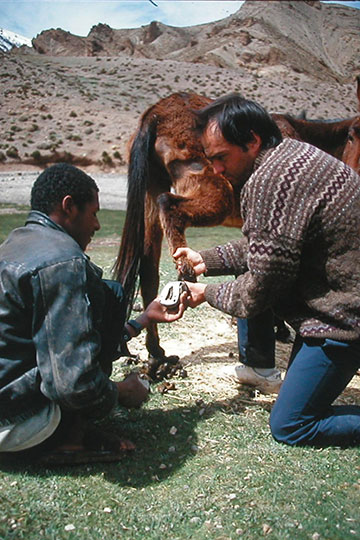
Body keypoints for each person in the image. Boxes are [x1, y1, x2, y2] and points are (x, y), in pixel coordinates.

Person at [174, 93, 360, 447]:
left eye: (220, 158)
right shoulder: (291, 157)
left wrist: (205, 293)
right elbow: (275, 245)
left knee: (292, 424)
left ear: (252, 140)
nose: (216, 170)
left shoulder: (269, 181)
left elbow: (261, 286)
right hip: (341, 305)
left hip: (344, 318)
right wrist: (207, 260)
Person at [0, 163, 186, 465]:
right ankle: (67, 438)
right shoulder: (63, 261)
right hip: (13, 421)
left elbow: (58, 339)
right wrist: (122, 392)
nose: (97, 225)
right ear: (69, 207)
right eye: (94, 213)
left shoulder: (13, 245)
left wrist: (143, 320)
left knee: (106, 293)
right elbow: (73, 385)